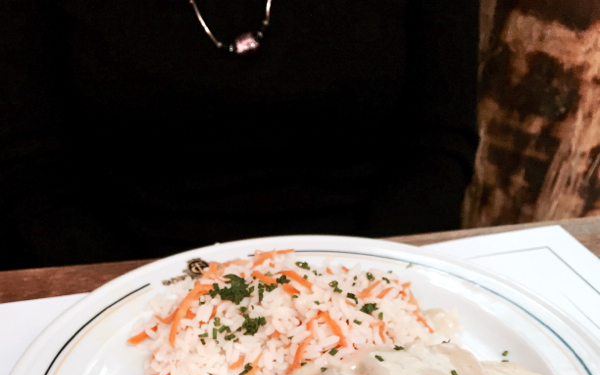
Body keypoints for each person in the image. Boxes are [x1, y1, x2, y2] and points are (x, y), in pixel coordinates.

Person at [0, 0, 479, 269]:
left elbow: (436, 144)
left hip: (368, 261)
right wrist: (141, 292)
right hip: (125, 270)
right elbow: (33, 165)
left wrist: (360, 278)